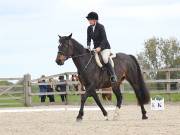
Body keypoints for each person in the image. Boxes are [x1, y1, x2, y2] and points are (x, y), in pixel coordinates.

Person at [86, 11, 117, 82]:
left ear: (94, 20)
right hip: (95, 48)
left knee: (104, 58)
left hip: (104, 47)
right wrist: (88, 46)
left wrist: (100, 48)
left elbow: (104, 39)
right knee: (91, 58)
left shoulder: (101, 27)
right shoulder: (89, 28)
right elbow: (88, 39)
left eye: (90, 20)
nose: (89, 21)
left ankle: (113, 75)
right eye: (89, 20)